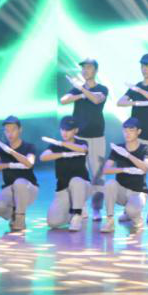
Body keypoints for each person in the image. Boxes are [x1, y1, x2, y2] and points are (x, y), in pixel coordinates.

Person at [62, 57, 109, 219]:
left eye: (88, 67)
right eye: (83, 68)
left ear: (95, 70)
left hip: (97, 138)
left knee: (98, 174)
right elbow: (63, 100)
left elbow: (96, 99)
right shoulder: (77, 90)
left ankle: (96, 209)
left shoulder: (102, 88)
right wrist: (80, 94)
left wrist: (82, 90)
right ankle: (80, 206)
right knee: (79, 173)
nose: (85, 70)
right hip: (79, 138)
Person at [116, 53, 148, 204]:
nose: (144, 68)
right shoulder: (135, 88)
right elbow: (120, 102)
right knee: (136, 173)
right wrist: (136, 103)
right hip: (136, 137)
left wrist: (139, 91)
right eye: (143, 65)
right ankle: (133, 208)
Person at [0, 115, 39, 232]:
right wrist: (9, 165)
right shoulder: (1, 149)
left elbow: (29, 163)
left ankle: (20, 219)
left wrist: (12, 152)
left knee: (19, 182)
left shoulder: (29, 146)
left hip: (29, 189)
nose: (9, 133)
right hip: (10, 190)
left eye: (13, 129)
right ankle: (13, 214)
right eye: (7, 130)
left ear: (20, 129)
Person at [101, 117, 148, 232]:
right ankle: (109, 221)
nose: (127, 133)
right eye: (125, 130)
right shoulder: (118, 148)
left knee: (131, 211)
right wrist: (124, 169)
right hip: (121, 191)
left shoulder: (145, 148)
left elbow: (145, 168)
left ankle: (136, 218)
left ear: (138, 131)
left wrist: (128, 155)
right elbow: (105, 170)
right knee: (110, 184)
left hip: (138, 192)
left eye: (131, 130)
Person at [40, 116, 91, 232]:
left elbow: (83, 150)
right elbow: (43, 157)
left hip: (82, 186)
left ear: (75, 130)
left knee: (76, 181)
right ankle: (72, 212)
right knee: (53, 222)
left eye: (68, 130)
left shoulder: (82, 142)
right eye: (62, 129)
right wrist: (63, 154)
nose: (65, 132)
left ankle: (78, 213)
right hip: (63, 189)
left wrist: (63, 144)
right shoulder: (55, 145)